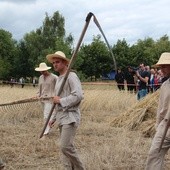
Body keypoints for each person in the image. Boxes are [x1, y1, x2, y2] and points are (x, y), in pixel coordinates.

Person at [46, 51, 85, 170]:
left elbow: (78, 95)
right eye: (53, 63)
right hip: (61, 117)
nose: (55, 65)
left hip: (70, 116)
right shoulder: (59, 79)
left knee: (65, 147)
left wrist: (61, 101)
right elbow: (56, 100)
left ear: (65, 63)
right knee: (66, 149)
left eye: (57, 62)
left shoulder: (71, 76)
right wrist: (53, 118)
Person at [145, 52, 170, 170]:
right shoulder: (165, 85)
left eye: (165, 66)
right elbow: (161, 107)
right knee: (154, 154)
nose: (162, 69)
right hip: (165, 126)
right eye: (161, 67)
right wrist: (158, 125)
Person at [35, 62, 58, 138]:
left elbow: (60, 86)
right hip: (42, 99)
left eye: (43, 71)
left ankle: (45, 133)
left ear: (47, 70)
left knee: (46, 116)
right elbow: (39, 88)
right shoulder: (40, 78)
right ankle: (49, 127)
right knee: (47, 115)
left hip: (50, 99)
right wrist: (37, 95)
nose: (42, 72)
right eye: (41, 71)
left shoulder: (54, 77)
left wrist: (56, 96)